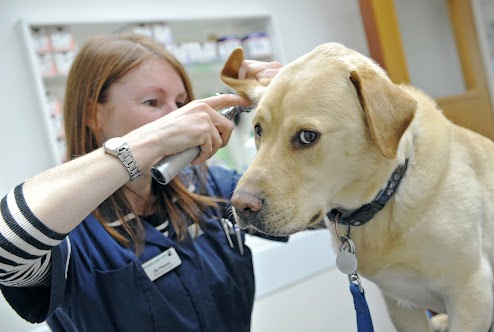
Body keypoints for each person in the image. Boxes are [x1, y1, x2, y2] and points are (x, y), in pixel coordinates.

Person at [0, 32, 282, 332]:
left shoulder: (206, 186)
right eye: (152, 102)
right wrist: (156, 139)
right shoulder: (66, 231)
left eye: (181, 103)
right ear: (92, 114)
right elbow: (6, 248)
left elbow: (319, 210)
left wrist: (292, 99)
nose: (178, 117)